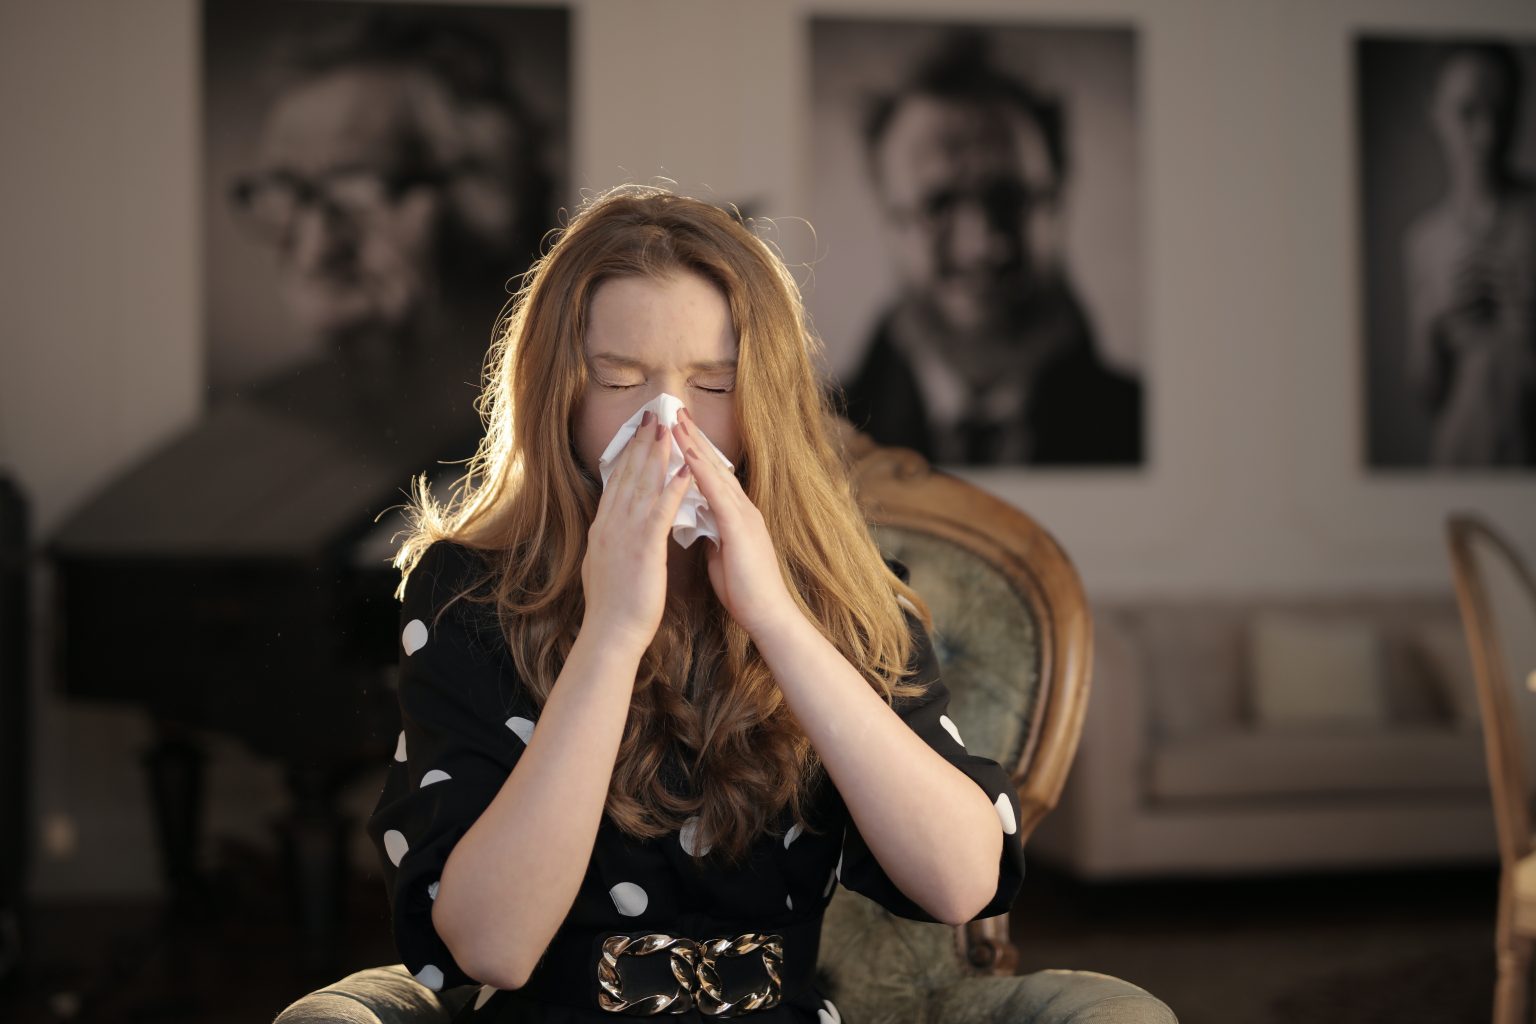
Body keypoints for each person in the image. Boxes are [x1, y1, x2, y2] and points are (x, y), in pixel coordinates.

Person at [365, 185, 1026, 1022]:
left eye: (713, 385)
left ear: (765, 402)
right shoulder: (468, 595)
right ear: (558, 397)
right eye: (620, 378)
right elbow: (493, 944)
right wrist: (611, 632)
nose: (667, 421)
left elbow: (962, 884)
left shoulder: (844, 594)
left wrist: (778, 618)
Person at [225, 9, 554, 449]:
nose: (315, 250)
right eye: (285, 194)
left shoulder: (546, 423)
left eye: (357, 193)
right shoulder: (266, 432)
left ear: (486, 197)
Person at [838, 30, 1142, 466]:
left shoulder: (1135, 425)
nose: (981, 246)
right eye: (938, 204)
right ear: (887, 215)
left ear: (1058, 202)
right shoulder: (812, 435)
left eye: (1010, 199)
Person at [1403, 42, 1536, 467]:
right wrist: (1429, 321)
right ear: (1435, 112)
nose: (1487, 134)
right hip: (1456, 462)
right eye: (1467, 112)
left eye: (1502, 111)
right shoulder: (1422, 240)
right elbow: (1427, 395)